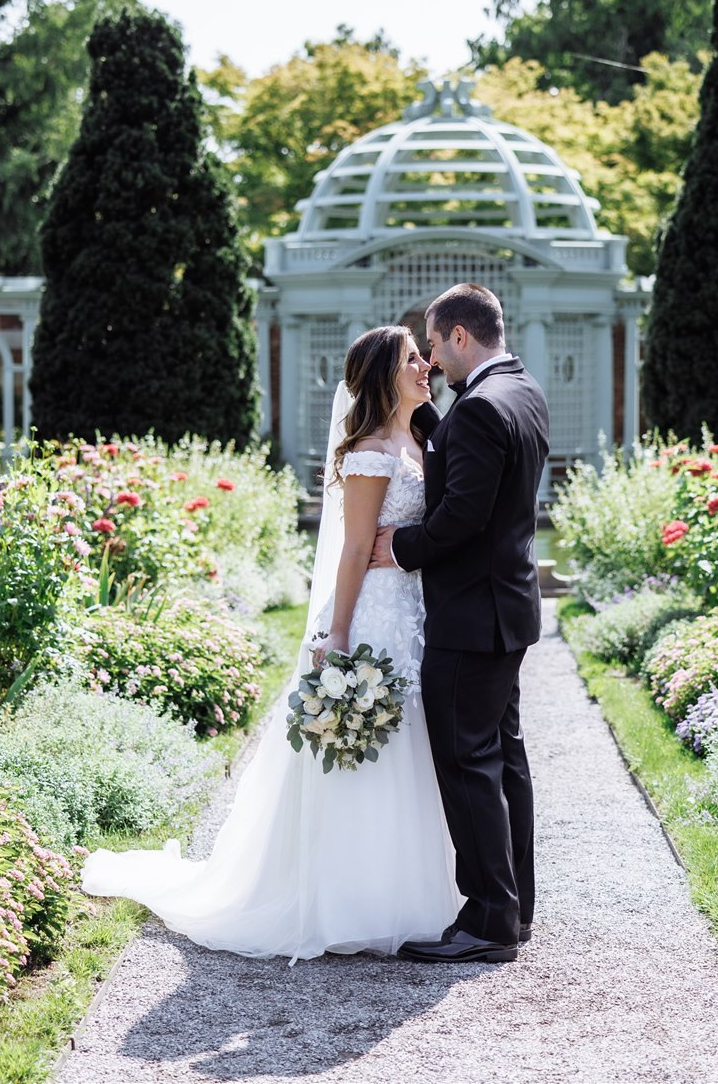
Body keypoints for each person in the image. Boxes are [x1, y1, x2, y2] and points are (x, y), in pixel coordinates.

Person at [80, 325, 460, 960]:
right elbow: (353, 552)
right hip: (373, 618)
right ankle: (351, 898)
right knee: (364, 750)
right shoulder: (369, 451)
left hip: (414, 613)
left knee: (411, 745)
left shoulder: (421, 438)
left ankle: (415, 892)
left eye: (425, 358)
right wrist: (336, 635)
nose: (427, 367)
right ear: (382, 376)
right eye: (413, 360)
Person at [373, 282, 550, 964]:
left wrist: (401, 547)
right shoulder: (523, 389)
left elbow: (462, 517)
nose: (432, 363)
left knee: (468, 763)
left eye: (435, 345)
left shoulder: (478, 408)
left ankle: (486, 920)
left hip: (470, 615)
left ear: (459, 337)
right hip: (505, 608)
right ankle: (515, 908)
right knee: (504, 760)